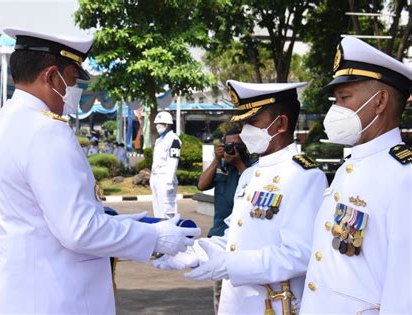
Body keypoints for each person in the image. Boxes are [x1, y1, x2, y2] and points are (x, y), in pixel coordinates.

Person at [0, 28, 200, 314]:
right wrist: (155, 238)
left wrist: (132, 223)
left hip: (15, 291)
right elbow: (79, 231)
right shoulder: (47, 131)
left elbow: (34, 213)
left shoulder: (1, 124)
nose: (74, 91)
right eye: (71, 80)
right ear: (51, 77)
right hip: (55, 295)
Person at [154, 80, 328, 314]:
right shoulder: (251, 174)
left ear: (281, 124)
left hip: (272, 305)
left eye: (253, 122)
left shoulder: (304, 176)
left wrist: (231, 265)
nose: (246, 130)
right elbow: (235, 237)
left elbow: (300, 254)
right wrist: (196, 252)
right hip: (236, 304)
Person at [300, 37, 411, 314]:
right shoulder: (351, 166)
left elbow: (404, 292)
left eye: (344, 98)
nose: (335, 109)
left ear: (380, 101)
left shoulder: (404, 176)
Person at [197, 125, 254, 313]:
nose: (233, 149)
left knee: (242, 295)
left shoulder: (252, 169)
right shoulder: (221, 167)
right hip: (219, 237)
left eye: (237, 145)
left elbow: (253, 188)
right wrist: (216, 159)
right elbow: (201, 185)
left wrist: (238, 164)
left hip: (244, 243)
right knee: (220, 296)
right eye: (229, 145)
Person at [150, 111, 181, 218]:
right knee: (157, 210)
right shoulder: (159, 140)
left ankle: (170, 233)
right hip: (156, 177)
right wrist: (152, 178)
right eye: (157, 124)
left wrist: (169, 181)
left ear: (168, 124)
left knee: (167, 211)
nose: (158, 126)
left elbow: (173, 162)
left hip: (166, 179)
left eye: (161, 124)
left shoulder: (174, 140)